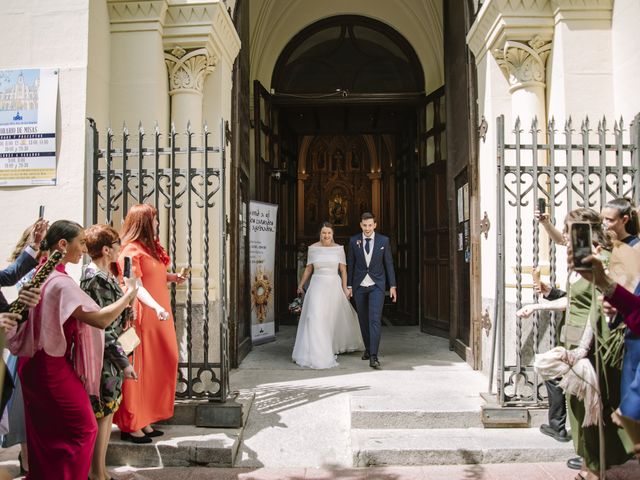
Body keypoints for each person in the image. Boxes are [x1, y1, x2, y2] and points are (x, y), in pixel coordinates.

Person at [6, 220, 138, 480]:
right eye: (80, 243)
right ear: (63, 245)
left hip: (33, 364)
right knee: (85, 428)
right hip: (50, 367)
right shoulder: (60, 282)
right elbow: (99, 319)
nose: (84, 248)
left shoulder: (43, 273)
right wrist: (128, 296)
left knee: (45, 433)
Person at [114, 204, 185, 442]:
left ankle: (145, 418)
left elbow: (154, 274)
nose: (156, 224)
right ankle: (131, 422)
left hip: (159, 316)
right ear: (144, 223)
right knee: (139, 367)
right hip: (141, 316)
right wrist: (155, 306)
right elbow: (135, 286)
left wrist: (172, 277)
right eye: (153, 220)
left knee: (162, 361)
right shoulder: (129, 251)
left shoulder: (147, 249)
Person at [81, 224, 137, 480]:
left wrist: (127, 306)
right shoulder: (96, 278)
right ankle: (97, 473)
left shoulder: (104, 275)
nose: (119, 250)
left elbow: (112, 313)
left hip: (108, 354)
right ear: (106, 249)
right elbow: (104, 326)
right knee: (103, 412)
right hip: (103, 355)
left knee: (107, 411)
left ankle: (99, 470)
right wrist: (124, 363)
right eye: (116, 246)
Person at [292, 222, 364, 369]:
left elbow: (343, 271)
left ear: (332, 234)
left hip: (333, 286)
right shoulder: (313, 249)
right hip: (317, 285)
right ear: (320, 233)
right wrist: (301, 284)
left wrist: (345, 288)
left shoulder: (339, 249)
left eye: (329, 233)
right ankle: (316, 352)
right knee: (315, 316)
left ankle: (330, 346)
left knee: (330, 318)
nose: (326, 236)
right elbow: (308, 269)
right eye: (324, 233)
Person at [347, 212, 397, 369]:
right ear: (360, 225)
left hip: (377, 286)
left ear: (375, 225)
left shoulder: (384, 240)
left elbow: (388, 264)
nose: (367, 228)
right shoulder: (354, 241)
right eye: (364, 225)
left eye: (370, 225)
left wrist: (393, 286)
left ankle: (374, 356)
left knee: (374, 319)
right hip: (359, 286)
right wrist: (349, 286)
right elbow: (351, 265)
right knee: (363, 320)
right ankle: (368, 349)